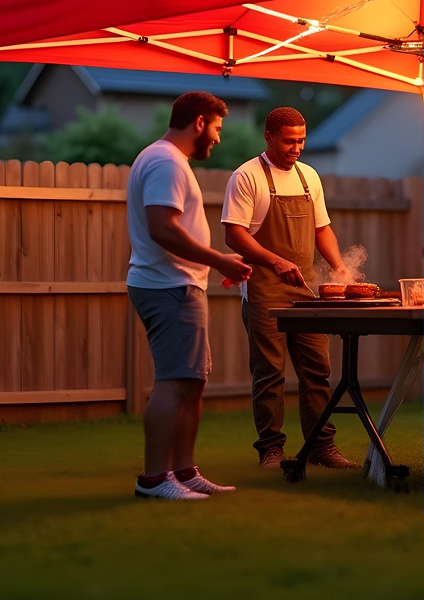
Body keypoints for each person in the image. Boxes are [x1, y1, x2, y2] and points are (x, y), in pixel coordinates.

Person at [128, 91, 252, 500]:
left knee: (191, 382)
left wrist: (211, 265)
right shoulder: (166, 161)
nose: (217, 138)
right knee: (174, 382)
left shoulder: (162, 159)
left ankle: (183, 471)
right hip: (169, 287)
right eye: (216, 128)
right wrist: (218, 259)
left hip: (177, 283)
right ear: (199, 122)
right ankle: (154, 479)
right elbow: (162, 228)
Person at [222, 106, 354, 470]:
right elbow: (234, 234)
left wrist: (339, 265)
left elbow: (321, 229)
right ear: (268, 137)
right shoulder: (246, 177)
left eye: (302, 141)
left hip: (305, 290)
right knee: (269, 373)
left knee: (317, 370)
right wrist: (276, 262)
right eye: (289, 141)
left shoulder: (309, 177)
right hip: (265, 290)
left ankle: (320, 447)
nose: (296, 148)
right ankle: (271, 449)